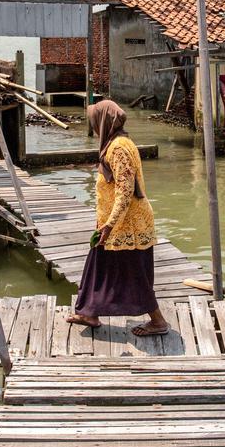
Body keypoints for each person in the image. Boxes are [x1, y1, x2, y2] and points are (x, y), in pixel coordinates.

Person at [66, 100, 169, 336]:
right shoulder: (115, 143)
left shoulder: (119, 148)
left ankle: (158, 322)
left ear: (104, 121)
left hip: (128, 224)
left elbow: (125, 192)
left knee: (134, 273)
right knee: (98, 265)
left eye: (94, 120)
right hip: (113, 223)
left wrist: (110, 225)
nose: (92, 125)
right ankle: (89, 312)